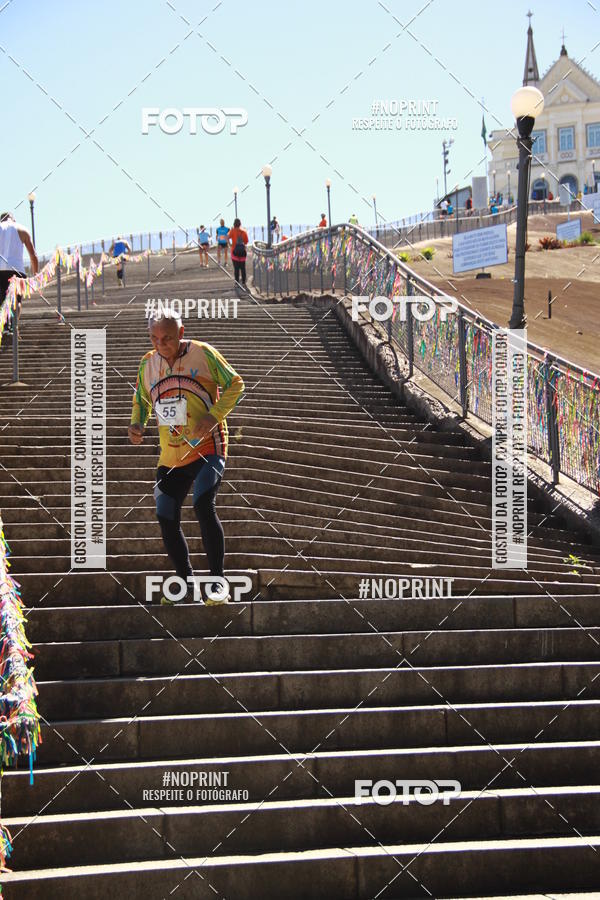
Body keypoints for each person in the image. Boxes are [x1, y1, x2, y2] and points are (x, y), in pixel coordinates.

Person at [129, 310, 244, 605]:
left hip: (208, 445)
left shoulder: (203, 354)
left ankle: (218, 583)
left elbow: (236, 384)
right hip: (171, 455)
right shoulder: (147, 364)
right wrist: (137, 423)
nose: (160, 344)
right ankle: (186, 584)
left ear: (181, 333)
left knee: (203, 504)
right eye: (154, 338)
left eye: (167, 338)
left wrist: (213, 415)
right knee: (165, 514)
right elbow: (141, 400)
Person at [0, 212, 38, 336]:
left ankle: (4, 326)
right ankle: (14, 326)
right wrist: (35, 275)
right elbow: (33, 255)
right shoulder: (22, 229)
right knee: (17, 300)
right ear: (13, 219)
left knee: (1, 300)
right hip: (17, 270)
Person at [228, 218, 249, 287]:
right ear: (240, 224)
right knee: (243, 268)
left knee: (236, 268)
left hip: (234, 252)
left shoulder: (232, 231)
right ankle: (243, 282)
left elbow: (226, 237)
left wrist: (230, 244)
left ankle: (237, 283)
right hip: (242, 252)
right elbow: (246, 242)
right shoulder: (244, 231)